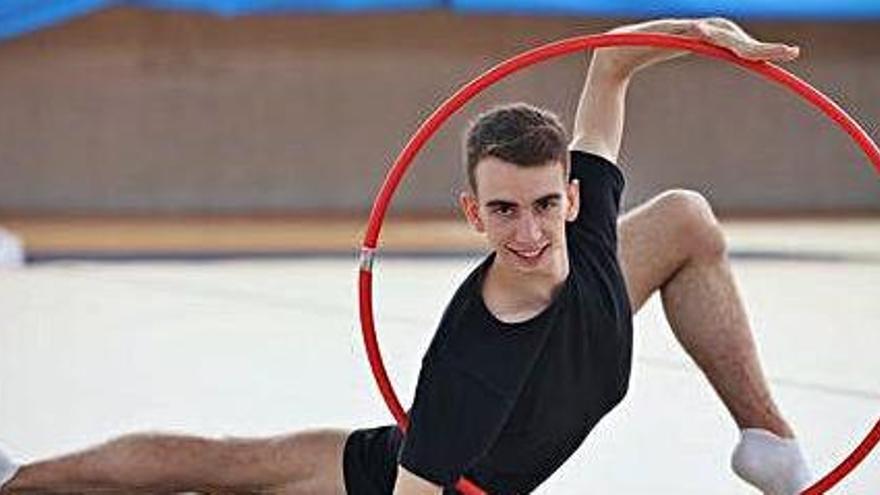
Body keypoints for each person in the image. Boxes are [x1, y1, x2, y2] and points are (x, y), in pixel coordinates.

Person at [0, 17, 812, 495]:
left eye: (541, 205)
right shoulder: (472, 359)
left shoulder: (588, 220)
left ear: (571, 195)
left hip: (584, 330)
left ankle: (768, 440)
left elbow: (610, 64)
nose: (527, 232)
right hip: (416, 473)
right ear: (472, 213)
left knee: (684, 217)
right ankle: (20, 480)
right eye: (502, 211)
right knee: (225, 468)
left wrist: (704, 34)